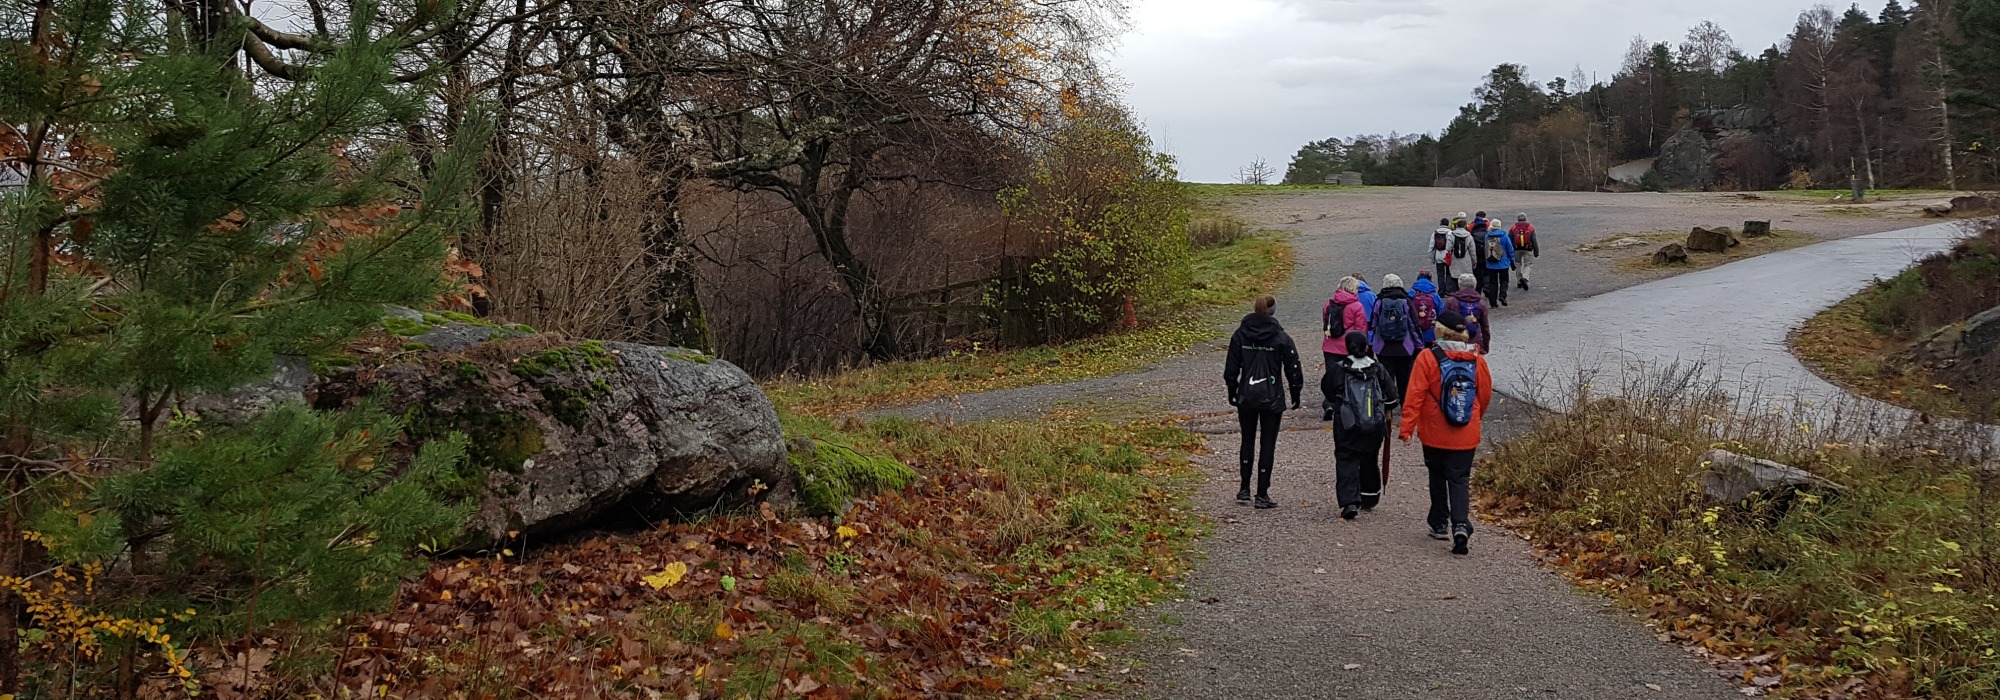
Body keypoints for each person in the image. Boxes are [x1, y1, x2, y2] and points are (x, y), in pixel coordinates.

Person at [1397, 309, 1493, 555]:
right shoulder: (1477, 359)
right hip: (1466, 431)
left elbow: (1415, 394)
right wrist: (1474, 419)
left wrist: (1407, 428)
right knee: (1460, 479)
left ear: (1439, 329)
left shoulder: (1428, 358)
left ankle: (1439, 522)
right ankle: (1460, 525)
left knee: (1437, 474)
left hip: (1434, 431)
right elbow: (1484, 395)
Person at [1226, 295, 1304, 510]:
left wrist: (1232, 390)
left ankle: (1244, 488)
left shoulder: (1241, 334)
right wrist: (1295, 392)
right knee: (1267, 443)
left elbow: (1231, 368)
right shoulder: (1280, 337)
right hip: (1272, 397)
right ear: (1273, 311)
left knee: (1247, 440)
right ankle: (1262, 493)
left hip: (1247, 396)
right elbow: (1293, 367)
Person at [1326, 330, 1398, 520]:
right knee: (1369, 457)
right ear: (1367, 347)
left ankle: (1349, 501)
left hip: (1347, 423)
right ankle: (1369, 495)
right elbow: (1392, 396)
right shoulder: (1377, 368)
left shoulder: (1338, 368)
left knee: (1346, 459)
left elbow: (1327, 390)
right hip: (1374, 423)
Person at [1370, 273, 1421, 393]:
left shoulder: (1379, 302)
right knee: (1405, 381)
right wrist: (1419, 345)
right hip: (1404, 347)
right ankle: (1405, 407)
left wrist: (1371, 343)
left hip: (1383, 348)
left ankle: (1388, 409)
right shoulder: (1406, 301)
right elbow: (1413, 325)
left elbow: (1373, 324)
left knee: (1386, 381)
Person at [1321, 276, 1369, 368]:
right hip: (1349, 348)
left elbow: (1325, 321)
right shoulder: (1357, 306)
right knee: (1350, 378)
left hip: (1329, 347)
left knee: (1332, 377)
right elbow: (1361, 329)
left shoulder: (1328, 304)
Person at [1449, 273, 1492, 354]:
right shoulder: (1480, 303)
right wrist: (1485, 346)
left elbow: (1443, 324)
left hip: (1455, 344)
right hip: (1475, 343)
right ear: (1474, 286)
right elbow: (1485, 327)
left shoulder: (1452, 301)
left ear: (1459, 286)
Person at [1482, 220, 1518, 307]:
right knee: (1504, 281)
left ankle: (1493, 302)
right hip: (1503, 263)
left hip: (1490, 264)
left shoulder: (1487, 236)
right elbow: (1510, 249)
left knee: (1492, 283)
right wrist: (1512, 261)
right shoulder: (1504, 236)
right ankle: (1502, 295)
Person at [1409, 270, 1445, 349]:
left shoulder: (1410, 294)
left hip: (1414, 333)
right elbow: (1442, 314)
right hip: (1431, 333)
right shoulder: (1434, 296)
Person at [1510, 213, 1540, 291]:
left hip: (1516, 249)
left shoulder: (1513, 228)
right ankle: (1525, 277)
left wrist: (1509, 252)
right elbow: (1534, 240)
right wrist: (1536, 251)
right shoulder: (1530, 227)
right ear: (1525, 219)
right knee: (1528, 264)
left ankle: (1519, 280)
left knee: (1517, 264)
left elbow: (1510, 240)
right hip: (1528, 249)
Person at [1446, 221, 1476, 288]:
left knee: (1455, 277)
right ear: (1465, 226)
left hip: (1455, 258)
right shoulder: (1469, 235)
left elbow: (1448, 248)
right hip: (1466, 258)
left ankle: (1456, 293)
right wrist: (1474, 261)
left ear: (1456, 226)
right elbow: (1472, 250)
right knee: (1466, 278)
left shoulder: (1452, 235)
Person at [1429, 218, 1454, 291]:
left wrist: (1432, 258)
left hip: (1438, 256)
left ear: (1440, 223)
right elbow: (1452, 245)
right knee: (1449, 274)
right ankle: (1448, 289)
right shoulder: (1450, 233)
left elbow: (1431, 247)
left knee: (1440, 275)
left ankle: (1441, 290)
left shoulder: (1435, 233)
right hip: (1448, 256)